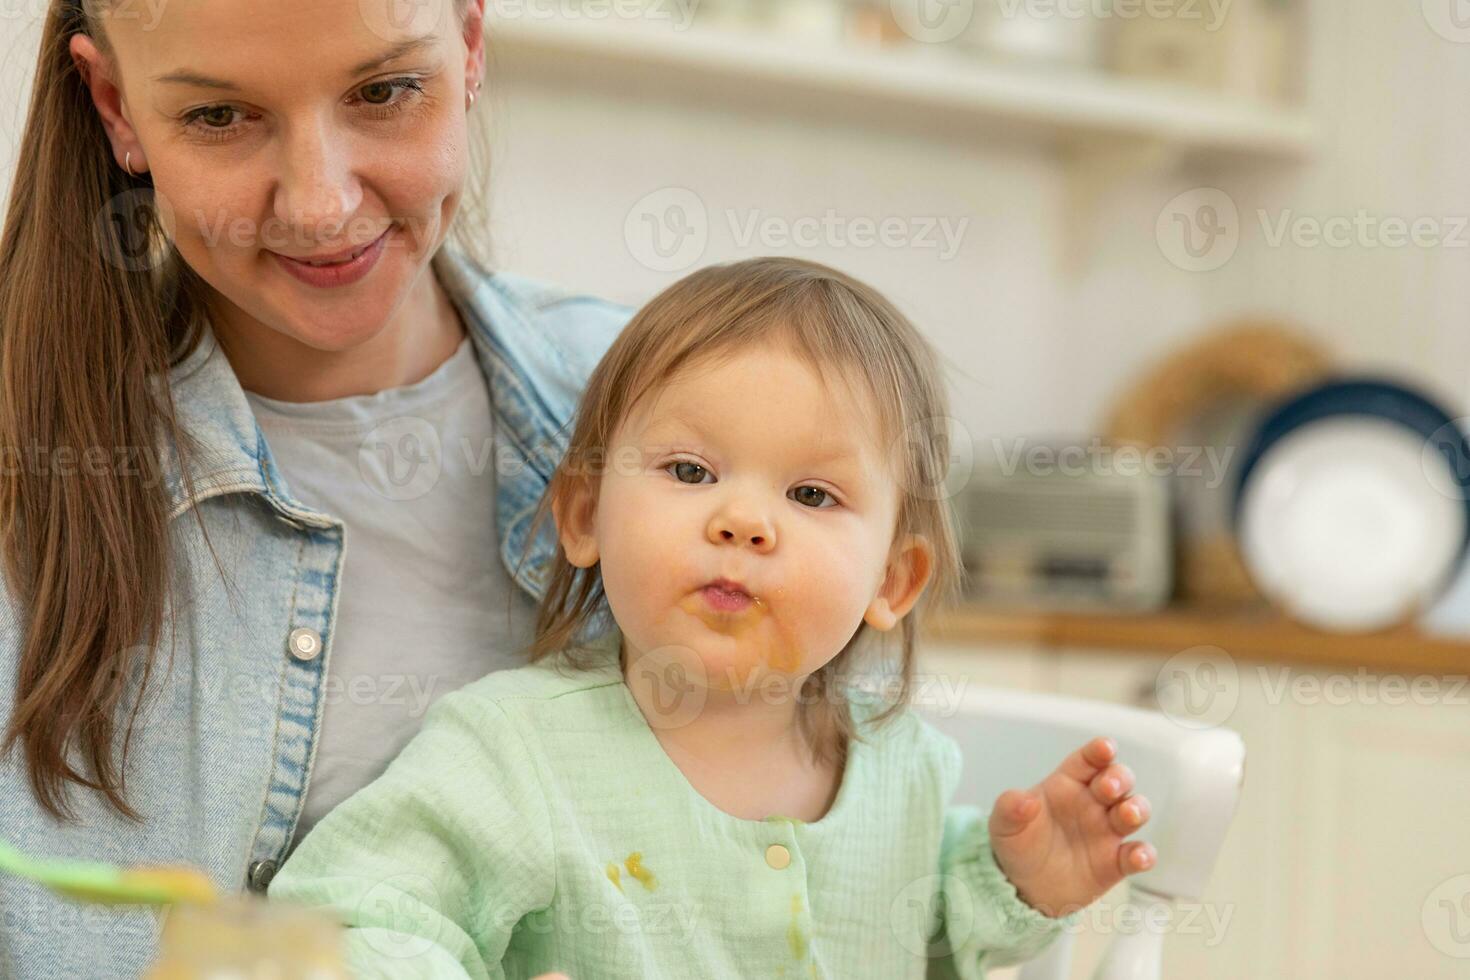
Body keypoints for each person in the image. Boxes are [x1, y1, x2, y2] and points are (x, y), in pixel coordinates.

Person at [268, 257, 1157, 979]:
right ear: (583, 516)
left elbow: (915, 933)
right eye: (691, 472)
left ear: (894, 579)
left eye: (811, 493)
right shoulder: (512, 751)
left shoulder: (904, 770)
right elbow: (353, 916)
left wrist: (1019, 882)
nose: (742, 521)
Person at [0, 1, 628, 975]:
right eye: (219, 116)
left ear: (468, 49)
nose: (321, 204)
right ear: (116, 106)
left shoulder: (654, 418)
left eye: (383, 92)